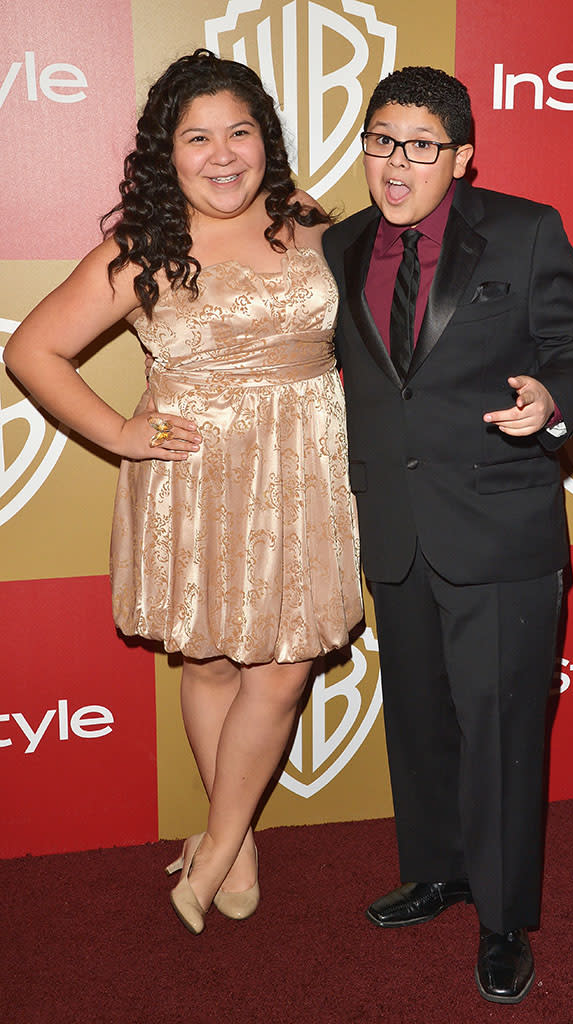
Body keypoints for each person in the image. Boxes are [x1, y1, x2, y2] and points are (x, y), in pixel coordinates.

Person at [5, 49, 362, 935]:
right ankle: (233, 845)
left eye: (239, 131)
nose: (222, 153)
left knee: (281, 671)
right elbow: (32, 350)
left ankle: (213, 842)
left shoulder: (307, 217)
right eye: (196, 137)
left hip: (307, 466)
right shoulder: (145, 248)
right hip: (194, 474)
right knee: (204, 658)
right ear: (166, 154)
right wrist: (122, 434)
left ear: (265, 141)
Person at [322, 66, 573, 1004]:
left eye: (417, 145)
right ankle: (439, 870)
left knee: (500, 734)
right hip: (396, 529)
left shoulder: (526, 229)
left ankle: (501, 919)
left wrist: (553, 398)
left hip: (498, 525)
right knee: (419, 720)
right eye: (378, 140)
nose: (393, 163)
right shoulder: (340, 245)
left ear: (461, 156)